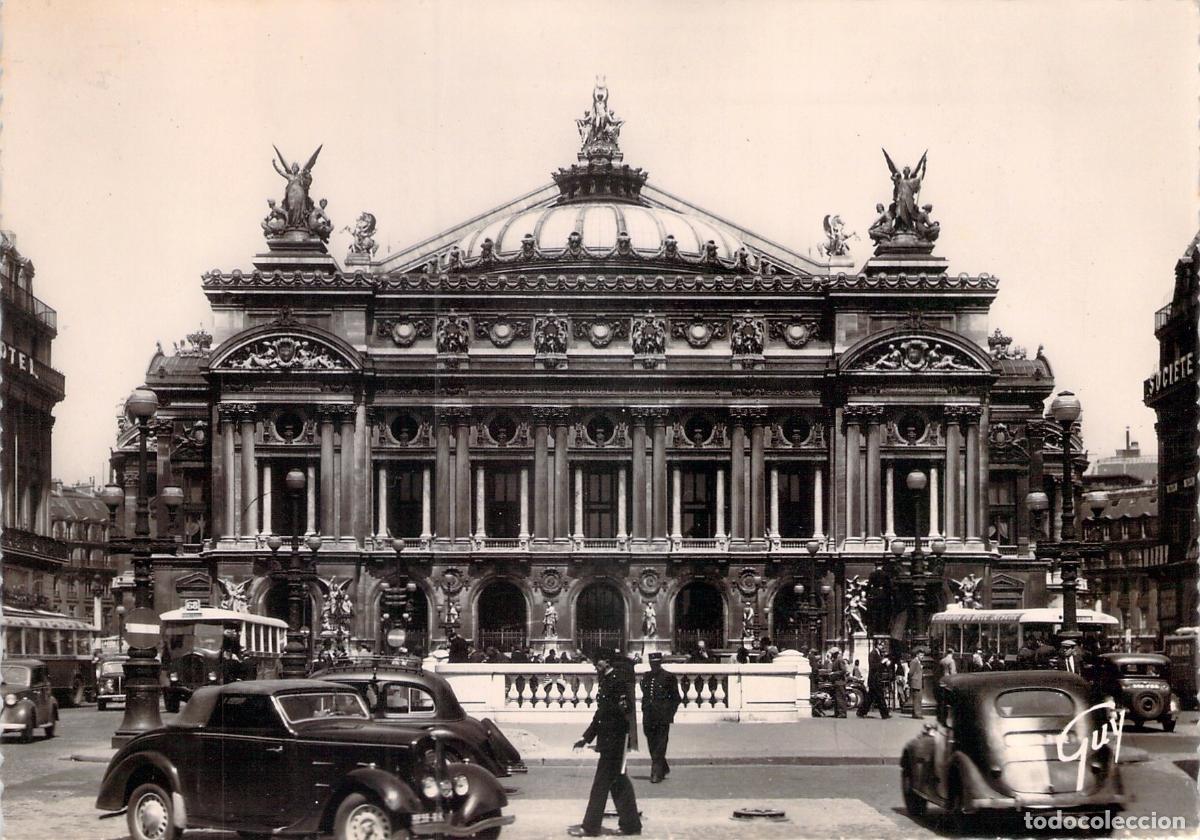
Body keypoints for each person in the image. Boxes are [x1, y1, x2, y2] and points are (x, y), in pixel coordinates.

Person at [571, 657, 642, 837]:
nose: (595, 666)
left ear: (607, 662)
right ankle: (631, 825)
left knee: (601, 785)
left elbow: (625, 712)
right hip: (610, 742)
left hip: (615, 743)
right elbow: (599, 716)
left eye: (598, 662)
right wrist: (585, 738)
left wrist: (618, 740)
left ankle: (590, 827)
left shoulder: (618, 682)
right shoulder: (607, 681)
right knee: (619, 783)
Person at [640, 652, 681, 784]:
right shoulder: (646, 677)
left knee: (660, 744)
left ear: (660, 663)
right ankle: (663, 767)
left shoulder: (668, 677)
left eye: (656, 663)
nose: (654, 666)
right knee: (651, 743)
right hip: (648, 716)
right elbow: (645, 694)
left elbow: (676, 698)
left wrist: (669, 714)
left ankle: (656, 772)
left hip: (662, 716)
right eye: (652, 663)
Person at [858, 640, 891, 719]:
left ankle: (861, 711)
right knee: (880, 697)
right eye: (881, 645)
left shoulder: (878, 653)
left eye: (883, 645)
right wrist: (883, 662)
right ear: (876, 645)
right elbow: (873, 666)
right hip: (874, 679)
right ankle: (884, 714)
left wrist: (885, 664)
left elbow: (879, 667)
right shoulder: (873, 653)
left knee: (870, 697)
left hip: (875, 679)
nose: (882, 646)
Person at [828, 647, 849, 718]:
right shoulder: (836, 660)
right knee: (837, 698)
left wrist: (834, 673)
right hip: (837, 682)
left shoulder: (840, 660)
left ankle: (842, 713)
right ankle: (837, 713)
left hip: (840, 682)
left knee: (840, 698)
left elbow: (843, 670)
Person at [908, 648, 925, 719]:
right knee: (917, 698)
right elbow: (910, 672)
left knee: (918, 698)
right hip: (916, 682)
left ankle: (915, 713)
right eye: (921, 655)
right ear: (917, 655)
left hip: (918, 682)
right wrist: (910, 680)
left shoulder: (918, 662)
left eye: (923, 655)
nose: (922, 657)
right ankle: (917, 714)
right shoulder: (914, 662)